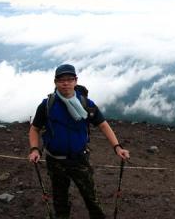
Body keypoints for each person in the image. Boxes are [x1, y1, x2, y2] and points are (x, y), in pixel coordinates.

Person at [28, 64, 130, 219]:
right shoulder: (47, 105)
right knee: (60, 199)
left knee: (91, 198)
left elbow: (103, 124)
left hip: (79, 158)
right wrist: (34, 149)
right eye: (61, 80)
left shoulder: (86, 104)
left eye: (69, 79)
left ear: (76, 81)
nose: (66, 83)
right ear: (55, 82)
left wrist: (117, 147)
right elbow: (34, 129)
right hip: (55, 160)